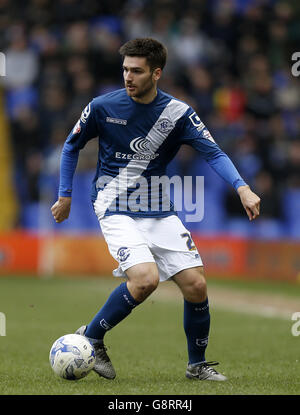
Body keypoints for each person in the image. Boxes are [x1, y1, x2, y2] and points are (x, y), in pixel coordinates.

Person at [51, 38, 261, 381]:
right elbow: (71, 145)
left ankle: (197, 365)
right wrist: (65, 195)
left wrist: (243, 187)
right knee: (146, 279)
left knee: (196, 285)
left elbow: (214, 153)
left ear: (157, 73)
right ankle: (92, 337)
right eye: (125, 70)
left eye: (136, 71)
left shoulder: (178, 114)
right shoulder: (102, 107)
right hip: (113, 204)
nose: (128, 77)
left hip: (158, 208)